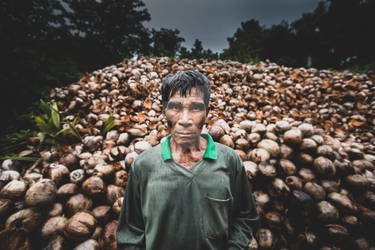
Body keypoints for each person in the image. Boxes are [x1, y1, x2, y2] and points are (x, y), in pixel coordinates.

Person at [116, 70, 258, 250]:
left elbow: (244, 217)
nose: (185, 119)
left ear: (207, 112)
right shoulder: (144, 165)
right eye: (175, 107)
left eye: (196, 108)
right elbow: (130, 232)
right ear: (164, 111)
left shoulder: (229, 161)